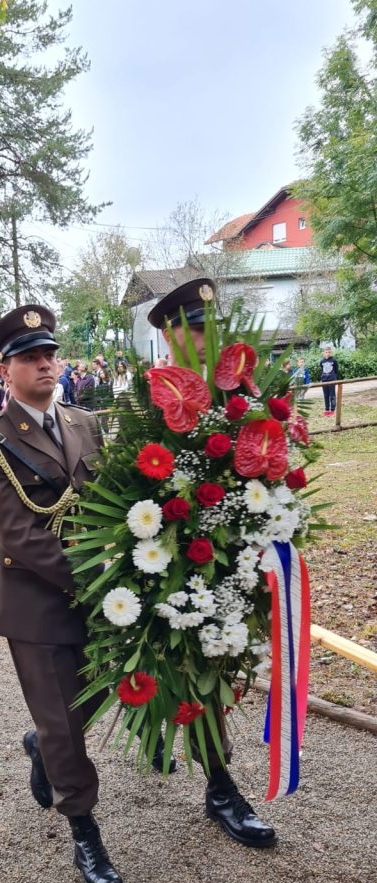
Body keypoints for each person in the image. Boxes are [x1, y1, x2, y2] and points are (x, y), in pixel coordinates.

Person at [0, 304, 124, 883]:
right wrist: (94, 580)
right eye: (30, 357)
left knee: (102, 689)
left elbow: (111, 500)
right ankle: (84, 829)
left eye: (50, 354)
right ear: (5, 372)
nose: (45, 364)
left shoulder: (86, 424)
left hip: (100, 590)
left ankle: (42, 746)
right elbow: (18, 534)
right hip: (37, 599)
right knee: (63, 722)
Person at [147, 276, 277, 849]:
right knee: (158, 666)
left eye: (210, 328)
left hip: (235, 558)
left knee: (212, 668)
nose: (206, 340)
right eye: (194, 330)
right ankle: (51, 740)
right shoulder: (143, 401)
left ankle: (218, 786)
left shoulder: (238, 400)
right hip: (168, 559)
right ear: (171, 336)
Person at [319, 345, 339, 417]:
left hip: (331, 380)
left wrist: (333, 377)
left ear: (331, 353)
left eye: (328, 352)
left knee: (332, 395)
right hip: (324, 380)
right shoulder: (322, 361)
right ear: (323, 353)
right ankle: (327, 409)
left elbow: (336, 370)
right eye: (326, 352)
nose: (327, 353)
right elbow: (321, 369)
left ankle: (332, 410)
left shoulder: (334, 360)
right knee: (326, 395)